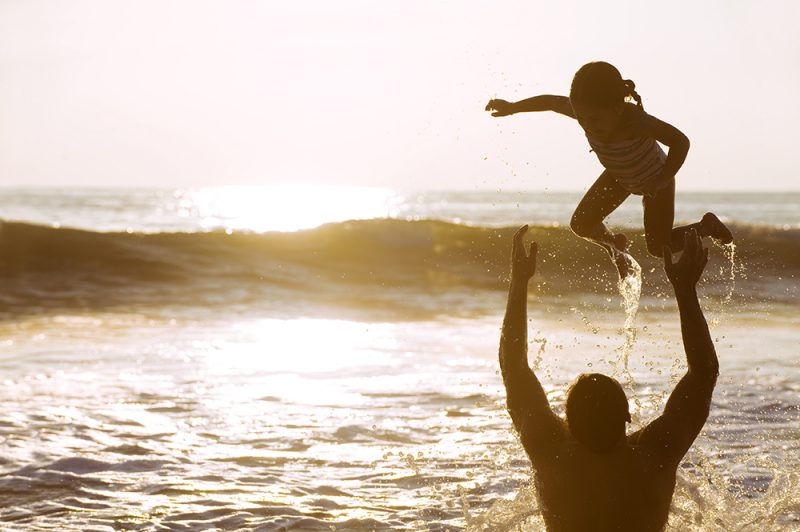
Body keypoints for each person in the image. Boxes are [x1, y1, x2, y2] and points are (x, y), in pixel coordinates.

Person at [499, 225, 719, 531]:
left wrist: (518, 282)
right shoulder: (654, 455)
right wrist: (684, 289)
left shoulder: (551, 453)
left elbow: (513, 368)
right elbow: (704, 373)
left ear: (568, 424)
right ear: (628, 418)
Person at [485, 61, 732, 278]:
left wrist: (662, 179)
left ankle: (705, 227)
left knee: (658, 248)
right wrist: (513, 107)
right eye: (581, 119)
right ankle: (614, 245)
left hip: (655, 179)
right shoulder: (583, 109)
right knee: (581, 224)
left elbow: (680, 142)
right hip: (619, 177)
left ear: (617, 108)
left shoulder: (637, 122)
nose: (588, 126)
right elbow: (550, 102)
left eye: (595, 120)